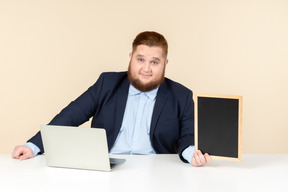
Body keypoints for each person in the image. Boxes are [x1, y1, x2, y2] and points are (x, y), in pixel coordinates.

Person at [12, 31, 212, 167]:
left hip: (158, 170)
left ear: (165, 63)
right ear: (130, 57)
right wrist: (33, 146)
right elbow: (71, 115)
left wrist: (192, 155)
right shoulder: (107, 83)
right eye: (140, 59)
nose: (146, 69)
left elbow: (188, 136)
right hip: (107, 166)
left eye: (154, 62)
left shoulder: (181, 95)